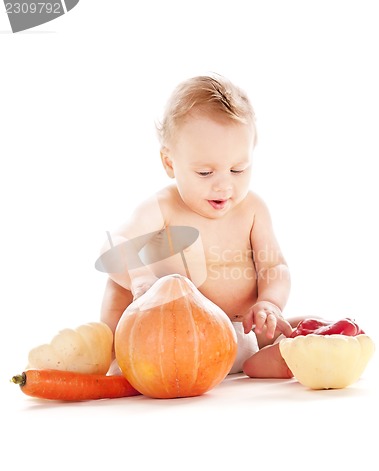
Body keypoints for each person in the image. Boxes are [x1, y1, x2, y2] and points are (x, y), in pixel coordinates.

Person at [99, 74, 308, 378]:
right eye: (205, 172)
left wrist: (269, 304)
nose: (224, 185)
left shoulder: (252, 209)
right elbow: (111, 244)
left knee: (310, 325)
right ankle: (116, 357)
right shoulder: (165, 206)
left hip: (243, 332)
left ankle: (263, 359)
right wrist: (139, 279)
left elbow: (274, 266)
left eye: (238, 169)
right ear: (170, 163)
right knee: (120, 277)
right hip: (179, 342)